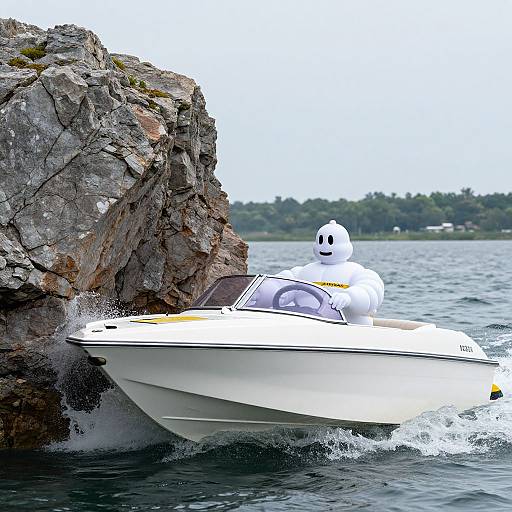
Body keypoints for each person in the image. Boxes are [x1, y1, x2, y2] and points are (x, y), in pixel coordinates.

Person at [277, 220, 384, 325]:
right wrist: (267, 291)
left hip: (348, 329)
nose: (325, 246)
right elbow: (281, 282)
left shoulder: (356, 271)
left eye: (330, 241)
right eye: (321, 241)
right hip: (306, 325)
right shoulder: (303, 272)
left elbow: (371, 289)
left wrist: (349, 297)